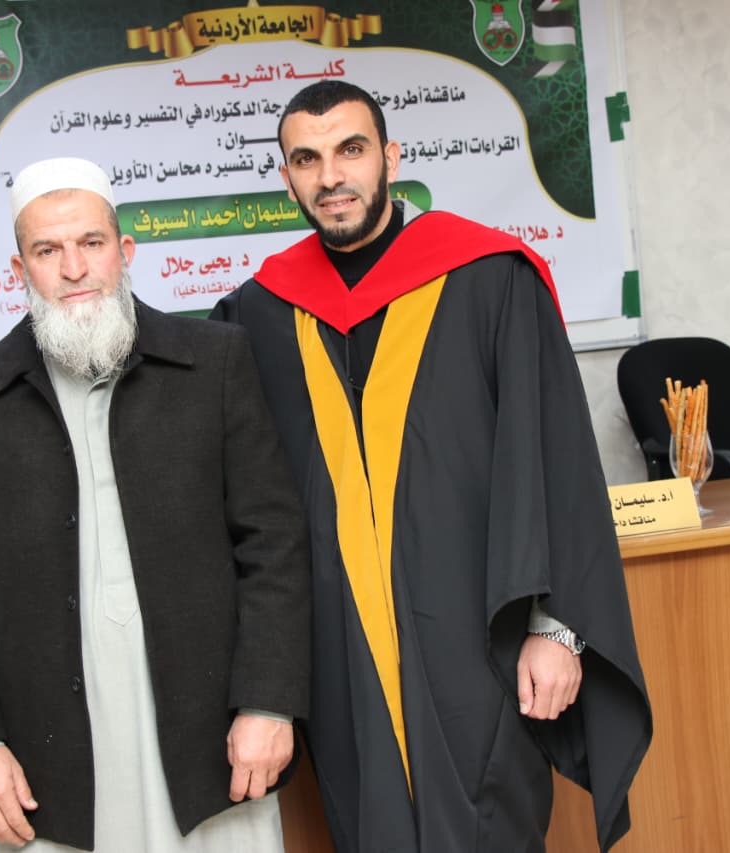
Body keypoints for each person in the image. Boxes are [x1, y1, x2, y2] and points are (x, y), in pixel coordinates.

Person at [211, 81, 652, 852]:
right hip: (340, 660)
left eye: (350, 150)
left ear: (391, 157)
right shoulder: (260, 314)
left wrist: (558, 629)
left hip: (479, 640)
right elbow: (247, 508)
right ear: (287, 178)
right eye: (307, 160)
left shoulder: (489, 279)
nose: (331, 176)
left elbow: (556, 460)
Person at [0, 157, 311, 852]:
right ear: (20, 270)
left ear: (123, 251)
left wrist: (269, 701)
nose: (74, 269)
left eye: (91, 243)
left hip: (214, 743)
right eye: (47, 251)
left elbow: (274, 541)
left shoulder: (214, 363)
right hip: (48, 766)